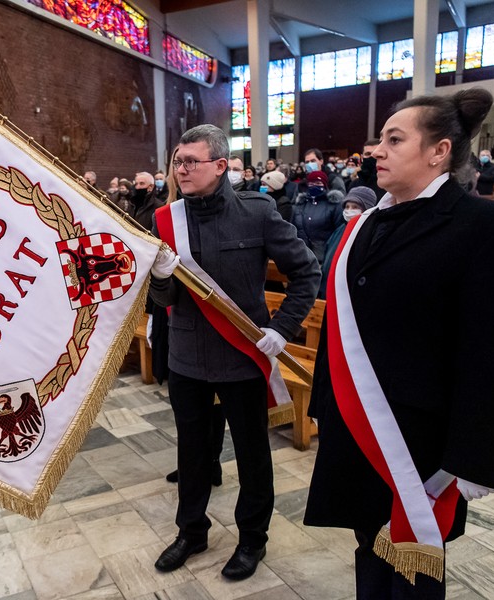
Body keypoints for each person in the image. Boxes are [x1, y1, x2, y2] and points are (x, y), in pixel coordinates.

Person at [304, 88, 494, 599]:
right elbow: (341, 328)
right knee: (369, 546)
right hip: (359, 424)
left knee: (414, 572)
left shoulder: (491, 228)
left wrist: (472, 455)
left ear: (439, 151)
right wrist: (326, 404)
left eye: (394, 139)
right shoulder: (364, 224)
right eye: (379, 141)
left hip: (421, 440)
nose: (376, 151)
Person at [149, 124, 320, 581]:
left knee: (250, 453)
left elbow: (306, 273)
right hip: (186, 356)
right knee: (192, 451)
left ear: (221, 166)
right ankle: (192, 531)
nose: (181, 169)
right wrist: (163, 278)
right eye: (177, 161)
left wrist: (282, 329)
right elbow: (162, 302)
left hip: (241, 354)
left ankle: (252, 539)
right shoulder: (166, 220)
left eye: (191, 161)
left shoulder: (257, 212)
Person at [318, 186, 376, 299]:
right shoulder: (340, 230)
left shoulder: (369, 234)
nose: (349, 211)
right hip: (328, 290)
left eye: (355, 207)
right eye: (347, 207)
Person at [290, 170, 345, 266]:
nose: (314, 185)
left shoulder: (333, 205)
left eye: (318, 183)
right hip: (301, 256)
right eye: (311, 183)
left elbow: (339, 232)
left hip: (324, 257)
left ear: (324, 185)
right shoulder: (300, 204)